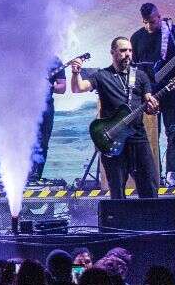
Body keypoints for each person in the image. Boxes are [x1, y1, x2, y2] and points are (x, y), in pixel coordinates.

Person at [68, 37, 160, 199]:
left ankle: (150, 222)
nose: (128, 54)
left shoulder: (141, 76)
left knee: (150, 186)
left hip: (138, 138)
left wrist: (153, 106)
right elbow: (78, 88)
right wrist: (76, 73)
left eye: (130, 51)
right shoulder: (102, 75)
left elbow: (148, 100)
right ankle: (119, 224)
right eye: (123, 50)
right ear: (113, 52)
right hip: (113, 140)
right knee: (117, 191)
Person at [131, 4, 175, 186]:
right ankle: (152, 174)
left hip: (172, 90)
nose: (149, 26)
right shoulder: (137, 37)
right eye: (145, 23)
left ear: (159, 17)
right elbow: (133, 69)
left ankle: (171, 174)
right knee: (150, 135)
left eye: (152, 22)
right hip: (148, 94)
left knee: (173, 132)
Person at [29, 57, 67, 183]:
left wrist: (49, 87)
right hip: (22, 107)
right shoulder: (19, 56)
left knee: (42, 143)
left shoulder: (54, 61)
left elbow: (62, 88)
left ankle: (35, 176)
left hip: (45, 107)